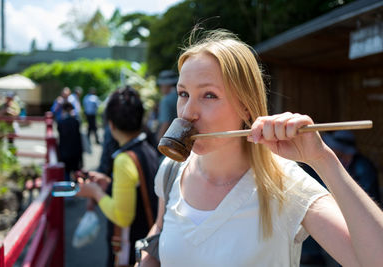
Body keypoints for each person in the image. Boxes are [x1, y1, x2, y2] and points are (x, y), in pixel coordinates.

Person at [138, 29, 383, 267]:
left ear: (246, 107)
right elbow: (160, 234)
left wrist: (322, 159)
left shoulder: (285, 184)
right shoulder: (172, 169)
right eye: (183, 93)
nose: (187, 112)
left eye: (209, 95)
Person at [76, 87, 159, 266]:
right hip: (148, 241)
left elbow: (122, 217)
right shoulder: (148, 149)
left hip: (130, 249)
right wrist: (109, 183)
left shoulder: (123, 160)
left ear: (110, 124)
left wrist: (95, 192)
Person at [323, 130, 380, 204]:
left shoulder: (363, 167)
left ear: (341, 147)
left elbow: (367, 196)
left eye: (332, 145)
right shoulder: (342, 162)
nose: (329, 147)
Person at [57, 102, 83, 181]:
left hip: (64, 151)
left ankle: (66, 189)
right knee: (76, 172)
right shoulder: (76, 122)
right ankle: (77, 190)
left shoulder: (61, 122)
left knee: (66, 172)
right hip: (75, 151)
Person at [156, 70, 179, 142]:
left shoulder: (166, 100)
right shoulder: (181, 96)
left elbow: (165, 123)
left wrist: (159, 140)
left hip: (169, 141)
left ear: (166, 85)